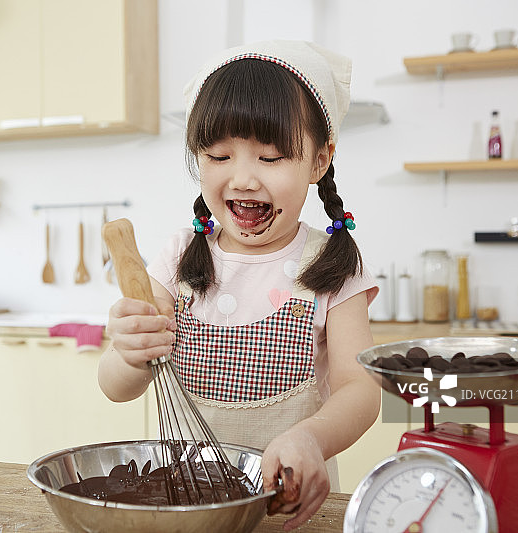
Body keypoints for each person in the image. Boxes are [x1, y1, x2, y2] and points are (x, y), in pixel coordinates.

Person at [98, 40, 380, 531]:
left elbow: (361, 390)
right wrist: (126, 352)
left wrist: (311, 437)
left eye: (270, 158)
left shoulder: (333, 264)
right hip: (185, 508)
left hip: (290, 506)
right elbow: (117, 388)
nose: (243, 178)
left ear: (319, 160)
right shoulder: (179, 260)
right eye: (220, 155)